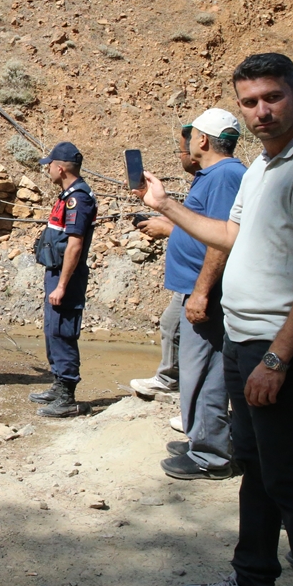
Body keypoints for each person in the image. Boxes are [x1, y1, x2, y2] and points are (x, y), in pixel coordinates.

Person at [138, 53, 293, 586]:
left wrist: (278, 358)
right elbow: (230, 237)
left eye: (272, 97)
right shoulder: (266, 167)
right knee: (258, 470)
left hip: (284, 352)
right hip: (245, 342)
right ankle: (253, 581)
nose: (261, 111)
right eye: (249, 102)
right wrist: (166, 205)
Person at [155, 110, 248, 480]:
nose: (188, 144)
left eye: (191, 137)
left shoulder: (225, 176)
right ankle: (203, 439)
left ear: (203, 140)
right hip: (195, 289)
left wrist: (201, 293)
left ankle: (211, 456)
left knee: (207, 372)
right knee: (196, 370)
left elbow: (222, 241)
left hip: (205, 294)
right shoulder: (214, 176)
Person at [28, 142, 98, 418]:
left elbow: (75, 245)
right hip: (56, 271)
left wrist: (61, 285)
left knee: (63, 331)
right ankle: (59, 384)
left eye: (50, 165)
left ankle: (67, 395)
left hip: (65, 275)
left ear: (60, 168)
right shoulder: (68, 195)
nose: (47, 170)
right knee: (52, 329)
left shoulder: (78, 198)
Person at [130, 129, 200, 402]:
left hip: (200, 277)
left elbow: (216, 234)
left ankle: (195, 400)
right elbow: (194, 225)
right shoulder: (202, 180)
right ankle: (172, 381)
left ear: (199, 146)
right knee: (172, 324)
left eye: (182, 151)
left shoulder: (221, 179)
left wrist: (167, 228)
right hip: (190, 277)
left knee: (193, 339)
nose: (181, 156)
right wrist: (164, 215)